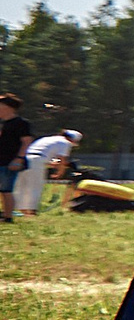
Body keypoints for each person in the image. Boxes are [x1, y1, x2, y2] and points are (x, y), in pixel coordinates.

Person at [14, 125, 78, 217]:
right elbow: (62, 159)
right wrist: (60, 172)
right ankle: (31, 211)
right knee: (35, 186)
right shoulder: (65, 143)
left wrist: (51, 164)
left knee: (22, 185)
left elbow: (41, 154)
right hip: (37, 160)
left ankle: (18, 210)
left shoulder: (48, 139)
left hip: (25, 159)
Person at [0, 95, 32, 224]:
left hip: (10, 160)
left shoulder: (21, 123)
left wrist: (19, 158)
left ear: (8, 107)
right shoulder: (2, 123)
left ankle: (8, 217)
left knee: (6, 189)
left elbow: (26, 141)